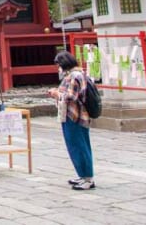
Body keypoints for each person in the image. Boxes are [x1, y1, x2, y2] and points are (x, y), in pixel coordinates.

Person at [47, 50, 95, 190]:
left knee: (79, 146)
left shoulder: (75, 76)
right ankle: (82, 175)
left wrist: (56, 93)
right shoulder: (76, 74)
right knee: (75, 146)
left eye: (59, 64)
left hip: (75, 116)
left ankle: (87, 178)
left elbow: (71, 96)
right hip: (71, 115)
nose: (58, 68)